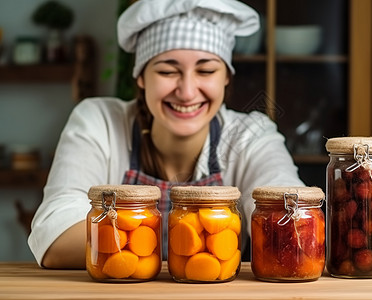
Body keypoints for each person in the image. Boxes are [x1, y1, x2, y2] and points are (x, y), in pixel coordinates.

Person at [28, 0, 304, 269]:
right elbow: (57, 238)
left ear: (226, 77)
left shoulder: (250, 136)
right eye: (167, 71)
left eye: (206, 70)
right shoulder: (99, 122)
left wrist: (124, 245)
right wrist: (203, 246)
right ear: (141, 77)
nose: (186, 91)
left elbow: (293, 224)